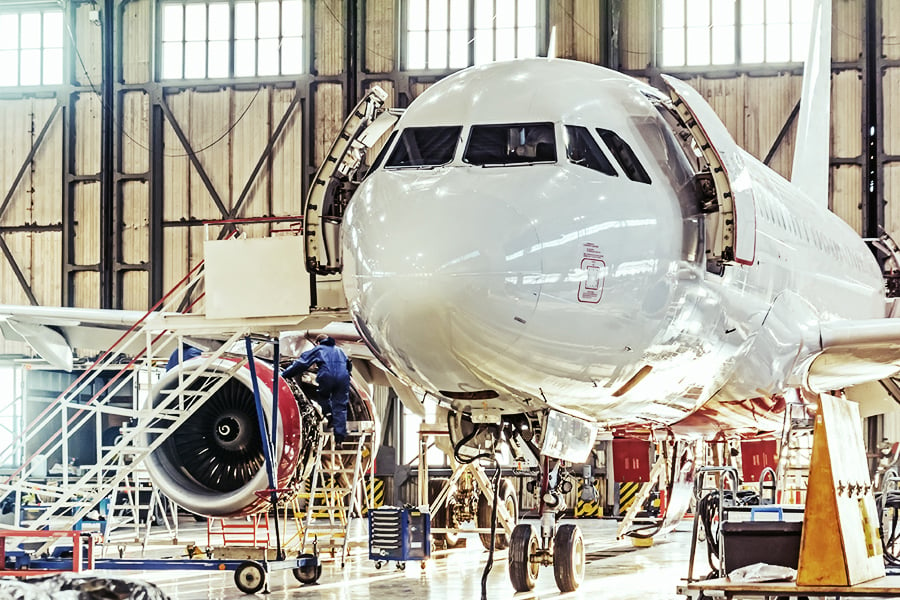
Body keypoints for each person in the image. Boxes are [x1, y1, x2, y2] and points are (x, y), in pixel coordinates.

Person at [282, 334, 352, 443]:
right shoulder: (339, 350)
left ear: (318, 342)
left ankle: (329, 417)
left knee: (324, 397)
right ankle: (340, 437)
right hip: (343, 377)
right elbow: (349, 365)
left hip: (328, 376)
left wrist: (284, 375)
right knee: (339, 403)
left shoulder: (319, 349)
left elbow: (301, 364)